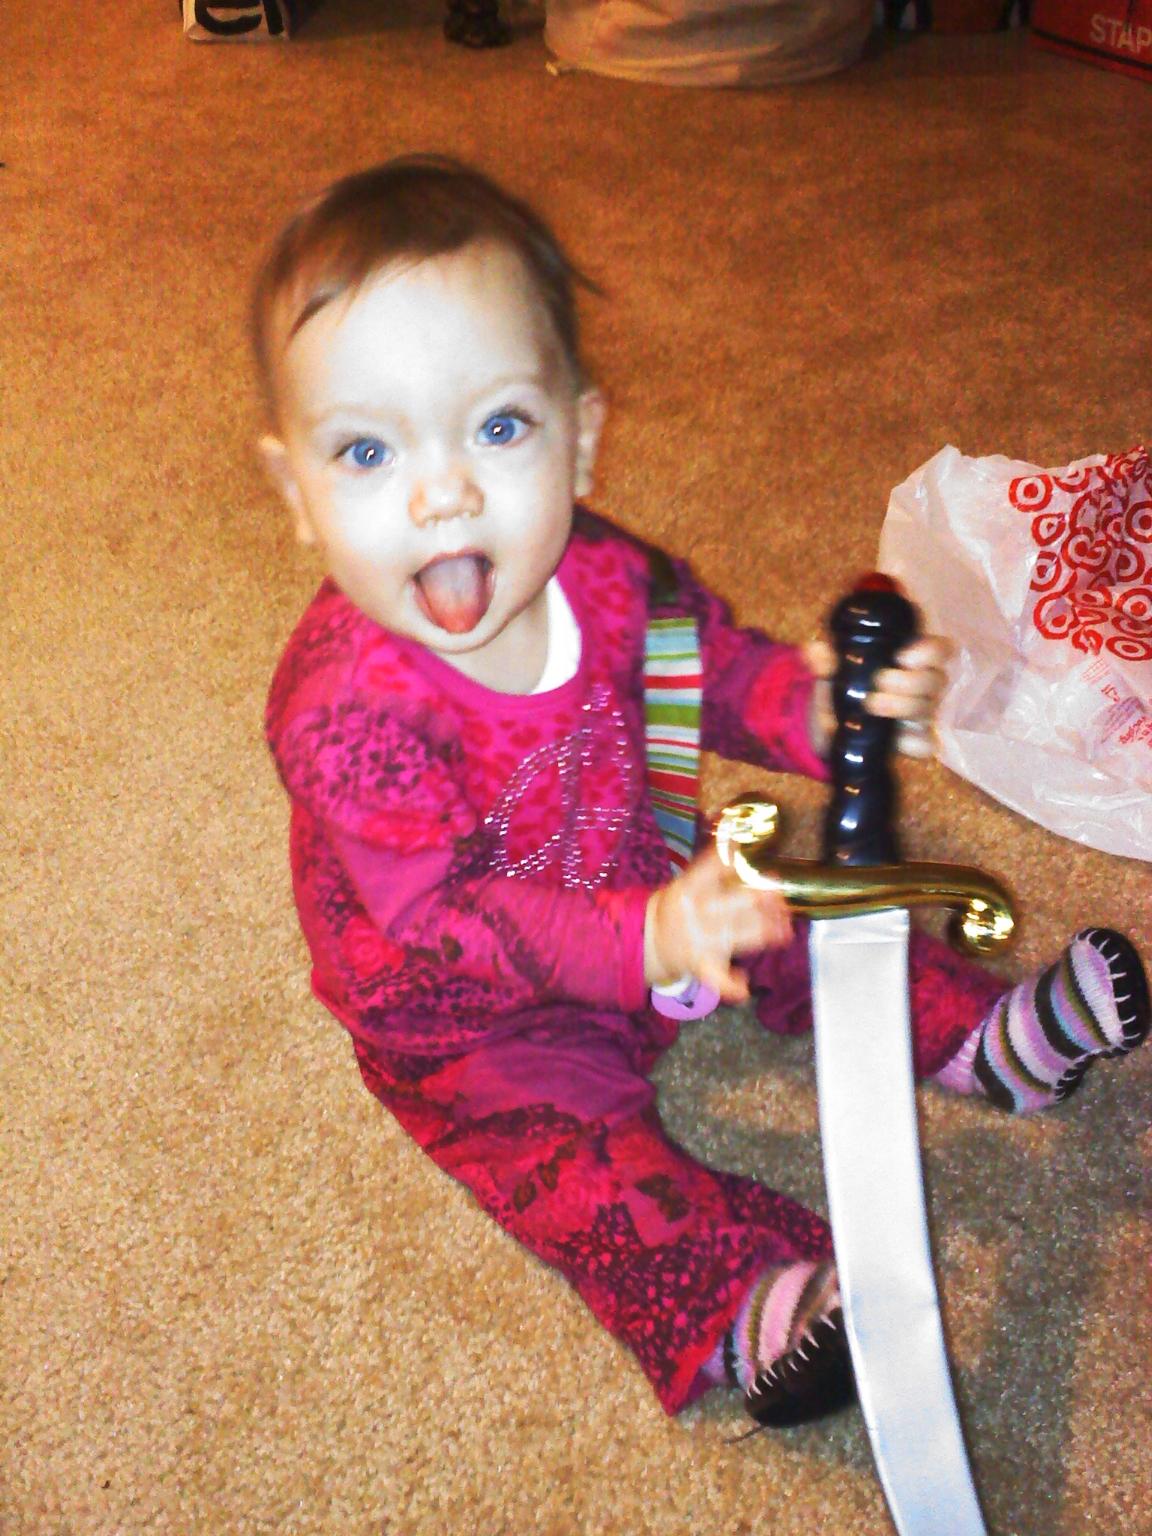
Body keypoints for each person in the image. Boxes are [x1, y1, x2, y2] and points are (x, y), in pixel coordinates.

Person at [252, 155, 1150, 1431]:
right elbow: (440, 919)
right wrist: (642, 942)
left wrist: (816, 710)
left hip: (636, 865)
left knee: (806, 910)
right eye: (365, 449)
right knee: (562, 1157)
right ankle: (741, 1301)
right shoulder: (346, 709)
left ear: (581, 439)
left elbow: (712, 668)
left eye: (497, 428)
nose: (442, 493)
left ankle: (982, 1040)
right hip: (468, 1014)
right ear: (296, 493)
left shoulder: (611, 577)